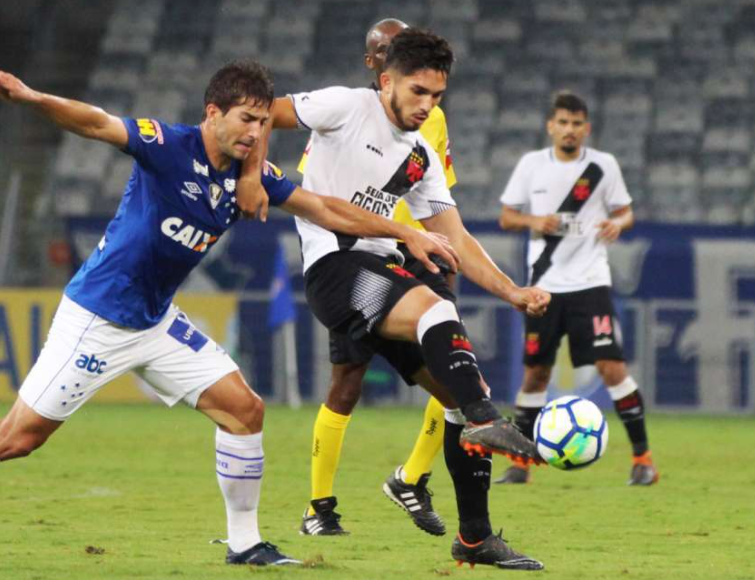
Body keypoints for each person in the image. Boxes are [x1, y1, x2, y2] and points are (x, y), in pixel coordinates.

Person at [0, 60, 461, 566]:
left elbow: (325, 209)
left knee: (244, 410)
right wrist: (30, 96)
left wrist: (401, 233)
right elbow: (94, 122)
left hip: (156, 322)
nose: (253, 133)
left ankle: (244, 545)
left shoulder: (254, 174)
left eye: (258, 122)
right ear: (211, 113)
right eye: (244, 120)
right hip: (98, 318)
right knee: (17, 438)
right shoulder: (169, 146)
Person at [237, 29, 550, 570]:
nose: (427, 105)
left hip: (381, 269)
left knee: (458, 394)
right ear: (386, 81)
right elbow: (262, 112)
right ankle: (482, 419)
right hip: (335, 270)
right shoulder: (346, 105)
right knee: (436, 310)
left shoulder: (422, 156)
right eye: (417, 92)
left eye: (437, 96)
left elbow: (456, 237)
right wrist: (251, 176)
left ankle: (475, 538)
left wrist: (512, 292)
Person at [288, 18, 470, 540]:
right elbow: (321, 193)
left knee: (455, 361)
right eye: (389, 53)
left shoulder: (429, 117)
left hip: (420, 257)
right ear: (377, 66)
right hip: (359, 257)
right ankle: (318, 505)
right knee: (347, 383)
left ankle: (413, 476)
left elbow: (440, 199)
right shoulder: (346, 113)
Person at [496, 91, 658, 486]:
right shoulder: (531, 165)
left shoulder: (603, 166)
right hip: (544, 287)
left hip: (590, 283)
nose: (570, 130)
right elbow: (505, 217)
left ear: (587, 128)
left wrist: (619, 224)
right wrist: (536, 221)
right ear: (551, 126)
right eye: (563, 123)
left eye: (577, 124)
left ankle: (643, 460)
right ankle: (521, 465)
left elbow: (626, 212)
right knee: (535, 374)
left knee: (612, 367)